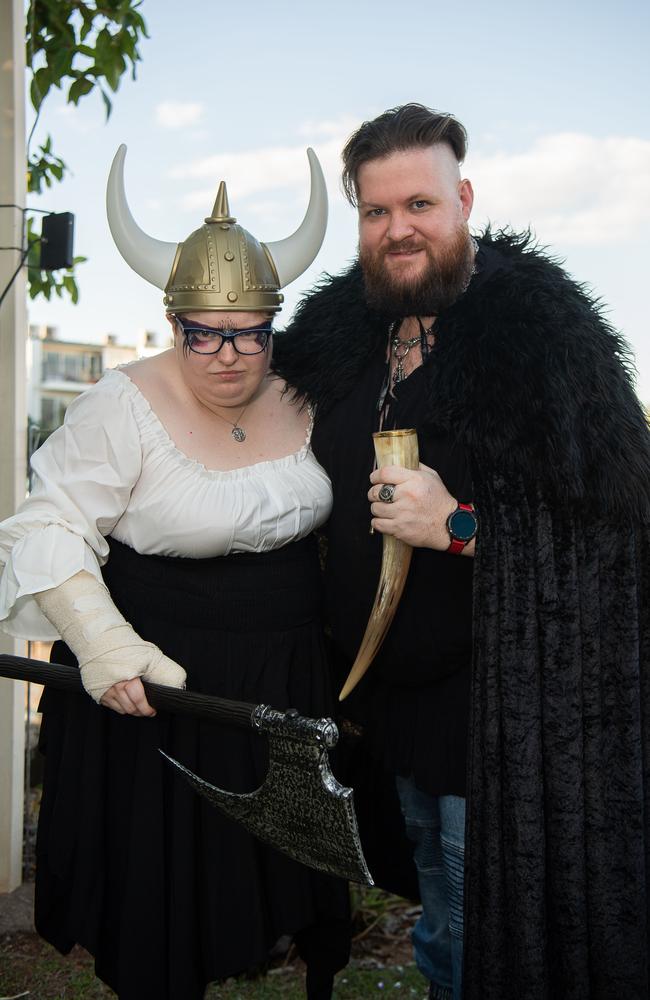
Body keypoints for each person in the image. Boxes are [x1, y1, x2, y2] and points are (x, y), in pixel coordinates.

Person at [275, 104, 650, 1000]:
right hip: (391, 710)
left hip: (503, 717)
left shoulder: (544, 338)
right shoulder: (341, 337)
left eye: (420, 204)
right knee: (444, 930)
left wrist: (461, 527)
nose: (398, 228)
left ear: (465, 199)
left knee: (495, 935)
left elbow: (617, 537)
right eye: (375, 211)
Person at [0, 145, 350, 1000]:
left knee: (278, 882)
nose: (228, 356)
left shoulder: (307, 392)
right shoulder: (118, 404)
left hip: (283, 674)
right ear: (174, 325)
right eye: (205, 336)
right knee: (164, 898)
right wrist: (104, 645)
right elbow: (48, 525)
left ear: (274, 326)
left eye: (250, 336)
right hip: (161, 683)